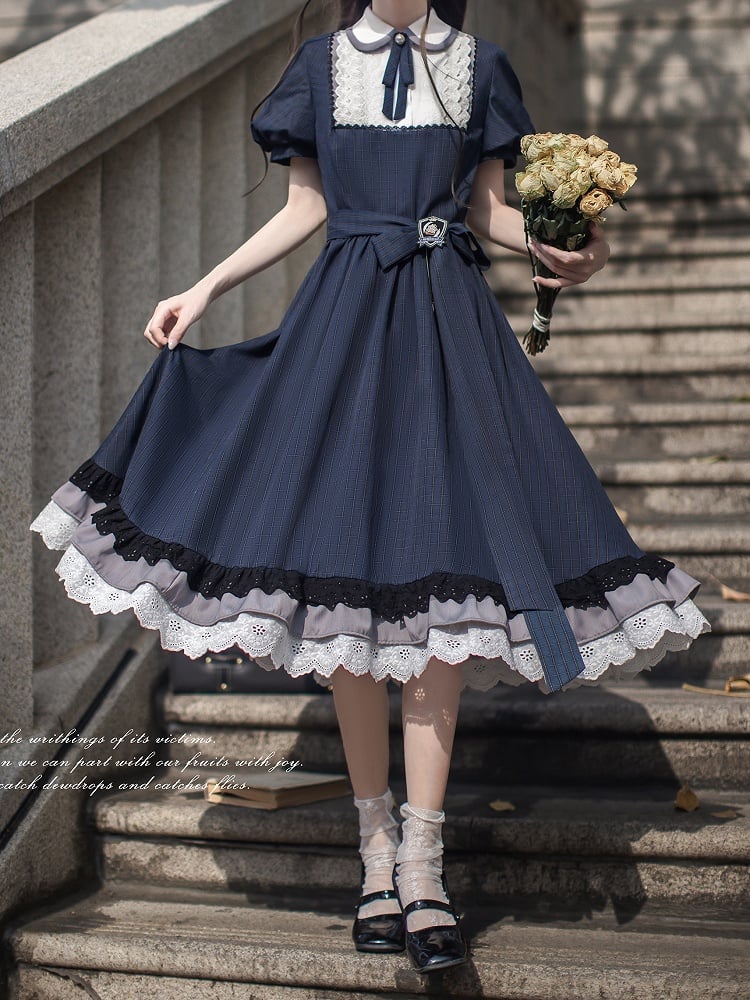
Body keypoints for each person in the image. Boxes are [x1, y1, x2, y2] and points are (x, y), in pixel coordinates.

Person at [30, 0, 711, 976]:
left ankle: (426, 866)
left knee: (439, 593)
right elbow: (308, 209)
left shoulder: (480, 65)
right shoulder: (318, 66)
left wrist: (563, 250)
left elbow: (483, 209)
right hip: (342, 339)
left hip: (447, 340)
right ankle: (376, 856)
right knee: (349, 593)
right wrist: (206, 287)